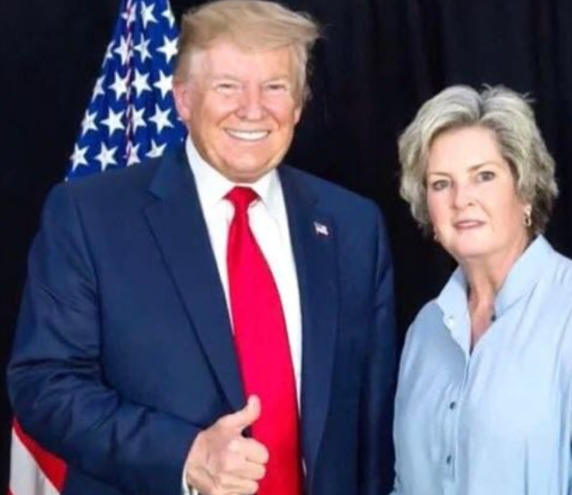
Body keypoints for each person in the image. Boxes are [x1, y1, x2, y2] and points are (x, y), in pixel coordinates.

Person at [8, 2, 397, 495]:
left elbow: (373, 421)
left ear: (298, 105)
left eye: (275, 87)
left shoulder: (354, 227)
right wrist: (185, 456)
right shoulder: (90, 216)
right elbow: (44, 383)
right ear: (184, 99)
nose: (252, 108)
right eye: (228, 86)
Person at [391, 85, 572, 494]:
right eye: (440, 184)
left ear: (524, 191)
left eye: (484, 176)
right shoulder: (426, 331)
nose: (461, 199)